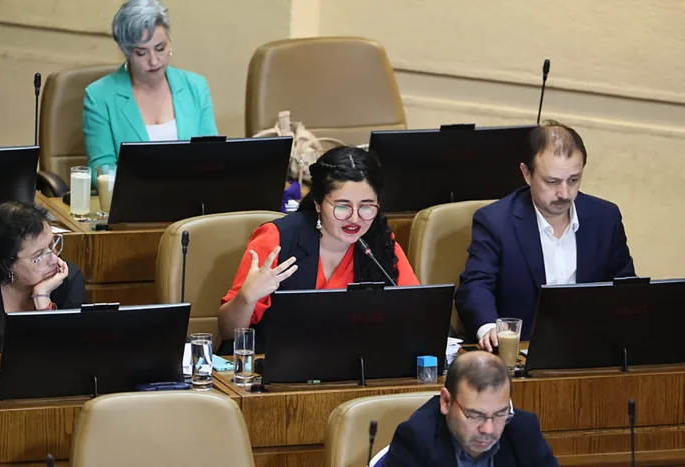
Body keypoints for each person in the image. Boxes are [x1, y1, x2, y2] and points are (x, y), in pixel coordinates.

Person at [455, 120, 635, 351]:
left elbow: (625, 287)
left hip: (591, 349)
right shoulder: (496, 222)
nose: (564, 193)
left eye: (573, 180)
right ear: (526, 174)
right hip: (520, 350)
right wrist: (489, 327)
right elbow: (476, 285)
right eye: (552, 182)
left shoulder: (605, 218)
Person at [218, 146, 420, 344]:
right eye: (343, 206)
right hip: (276, 361)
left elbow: (416, 313)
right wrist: (246, 298)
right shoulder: (277, 239)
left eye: (366, 206)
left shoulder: (380, 242)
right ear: (318, 202)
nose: (355, 219)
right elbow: (228, 331)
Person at [83, 0, 218, 187]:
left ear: (169, 41)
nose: (154, 61)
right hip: (135, 200)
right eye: (141, 53)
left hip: (193, 198)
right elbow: (101, 169)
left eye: (160, 48)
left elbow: (212, 156)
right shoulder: (99, 96)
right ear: (125, 51)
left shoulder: (196, 87)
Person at [383, 351, 558, 467]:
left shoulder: (524, 430)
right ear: (446, 401)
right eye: (475, 415)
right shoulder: (416, 439)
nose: (488, 429)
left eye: (499, 414)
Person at [0, 202, 86, 389]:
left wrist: (42, 297)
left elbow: (65, 357)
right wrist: (0, 363)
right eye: (39, 255)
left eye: (52, 245)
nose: (54, 259)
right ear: (7, 265)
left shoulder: (68, 281)